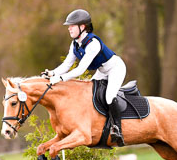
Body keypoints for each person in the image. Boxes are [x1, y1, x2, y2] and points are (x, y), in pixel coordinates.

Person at [42, 9, 127, 146]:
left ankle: (117, 128)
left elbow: (80, 69)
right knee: (89, 93)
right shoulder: (75, 43)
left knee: (109, 96)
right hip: (102, 70)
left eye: (72, 25)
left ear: (82, 27)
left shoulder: (93, 44)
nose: (69, 28)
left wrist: (61, 79)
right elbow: (66, 65)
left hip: (115, 68)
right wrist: (52, 73)